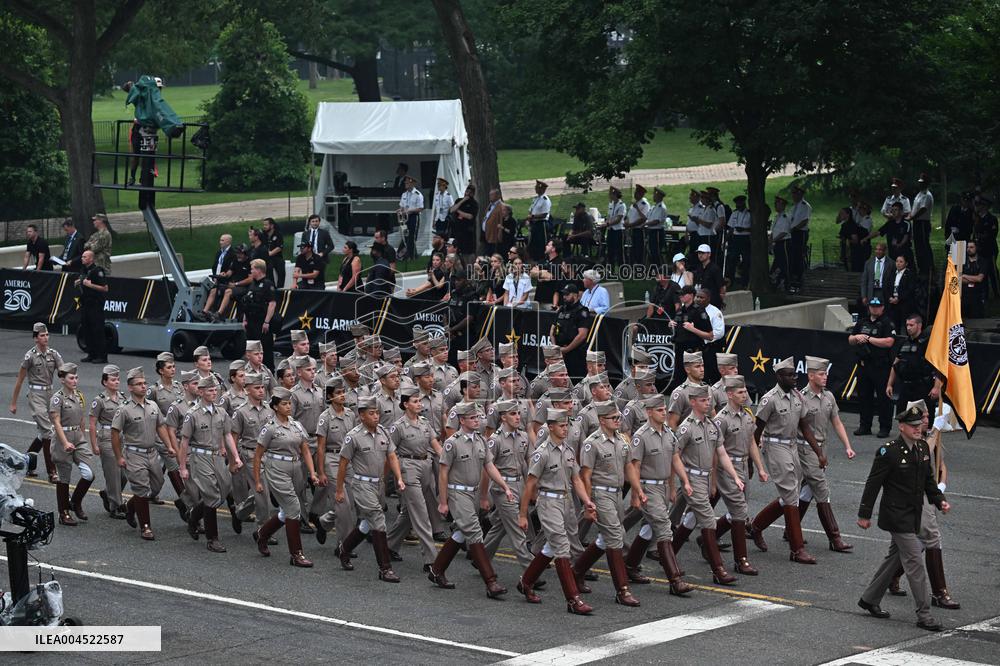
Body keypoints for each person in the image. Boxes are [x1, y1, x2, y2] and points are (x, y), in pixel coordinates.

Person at [856, 403, 949, 632]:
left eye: (920, 425)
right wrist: (864, 514)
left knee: (894, 559)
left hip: (913, 513)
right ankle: (924, 615)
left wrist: (939, 500)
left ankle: (869, 599)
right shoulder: (889, 451)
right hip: (897, 516)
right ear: (902, 427)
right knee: (915, 563)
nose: (919, 429)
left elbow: (928, 480)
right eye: (913, 426)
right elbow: (873, 483)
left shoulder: (922, 448)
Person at [517, 408, 597, 614]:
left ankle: (526, 582)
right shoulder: (541, 453)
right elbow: (529, 485)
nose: (566, 429)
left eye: (567, 425)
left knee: (552, 548)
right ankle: (573, 600)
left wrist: (586, 500)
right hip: (548, 502)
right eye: (562, 426)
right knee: (562, 548)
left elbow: (576, 479)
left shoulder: (568, 450)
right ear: (550, 427)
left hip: (566, 501)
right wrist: (523, 514)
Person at [428, 402, 510, 598]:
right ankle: (491, 582)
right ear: (462, 420)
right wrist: (443, 501)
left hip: (472, 493)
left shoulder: (481, 440)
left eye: (478, 417)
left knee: (460, 532)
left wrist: (504, 486)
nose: (477, 421)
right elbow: (443, 473)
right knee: (474, 531)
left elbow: (489, 467)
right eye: (472, 418)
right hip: (458, 493)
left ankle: (436, 570)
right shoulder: (452, 442)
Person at [747, 357, 823, 563]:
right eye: (790, 375)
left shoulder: (798, 396)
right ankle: (797, 549)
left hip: (792, 446)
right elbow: (757, 430)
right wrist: (751, 460)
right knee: (790, 495)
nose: (795, 378)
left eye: (795, 374)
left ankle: (756, 526)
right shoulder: (769, 399)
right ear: (779, 376)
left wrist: (818, 452)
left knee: (790, 494)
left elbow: (805, 427)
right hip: (774, 445)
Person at [671, 384, 744, 584]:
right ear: (693, 402)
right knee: (709, 521)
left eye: (709, 399)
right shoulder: (686, 428)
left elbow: (720, 454)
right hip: (692, 479)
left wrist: (734, 476)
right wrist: (683, 480)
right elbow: (674, 455)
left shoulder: (712, 426)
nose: (708, 403)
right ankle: (718, 569)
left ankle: (667, 555)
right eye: (703, 400)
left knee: (691, 519)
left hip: (705, 477)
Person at [622, 394, 695, 593]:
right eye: (660, 410)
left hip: (662, 487)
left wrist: (678, 485)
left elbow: (675, 461)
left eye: (664, 410)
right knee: (664, 528)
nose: (664, 413)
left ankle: (629, 565)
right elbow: (634, 467)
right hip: (647, 487)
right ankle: (675, 579)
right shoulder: (641, 437)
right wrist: (636, 493)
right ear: (649, 412)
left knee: (649, 530)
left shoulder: (669, 434)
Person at [572, 401, 641, 606]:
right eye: (614, 418)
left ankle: (576, 572)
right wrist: (588, 502)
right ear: (602, 420)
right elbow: (585, 476)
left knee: (607, 537)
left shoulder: (621, 441)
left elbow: (629, 467)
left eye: (619, 418)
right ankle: (622, 590)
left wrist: (637, 490)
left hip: (617, 494)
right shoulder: (592, 443)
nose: (618, 421)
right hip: (601, 494)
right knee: (614, 538)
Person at [334, 396, 405, 581]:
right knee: (378, 519)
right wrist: (340, 489)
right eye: (371, 413)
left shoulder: (383, 433)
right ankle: (385, 568)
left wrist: (398, 478)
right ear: (362, 415)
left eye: (377, 413)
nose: (376, 417)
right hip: (362, 484)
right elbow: (343, 464)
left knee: (367, 523)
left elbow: (392, 456)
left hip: (378, 484)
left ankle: (345, 548)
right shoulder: (354, 436)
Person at [252, 387, 318, 567]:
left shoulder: (296, 425)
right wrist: (258, 480)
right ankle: (296, 554)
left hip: (296, 467)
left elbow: (304, 448)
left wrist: (312, 473)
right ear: (275, 407)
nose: (288, 407)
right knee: (294, 507)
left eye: (289, 403)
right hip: (277, 468)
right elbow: (258, 455)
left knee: (286, 511)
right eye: (284, 404)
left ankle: (262, 534)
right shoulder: (269, 428)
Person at [798, 356, 857, 552]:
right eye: (822, 374)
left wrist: (847, 446)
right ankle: (835, 538)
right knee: (821, 490)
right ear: (811, 375)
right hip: (805, 449)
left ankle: (789, 529)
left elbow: (837, 422)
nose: (826, 377)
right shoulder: (801, 397)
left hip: (821, 449)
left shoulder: (829, 397)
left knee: (806, 491)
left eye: (826, 373)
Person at [178, 376, 242, 553]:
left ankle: (193, 515)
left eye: (215, 390)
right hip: (200, 457)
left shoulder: (221, 412)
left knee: (223, 491)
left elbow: (227, 435)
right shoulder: (193, 414)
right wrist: (182, 467)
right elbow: (184, 442)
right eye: (209, 390)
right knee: (212, 495)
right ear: (200, 392)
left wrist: (235, 457)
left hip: (218, 457)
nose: (213, 393)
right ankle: (212, 539)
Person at [713, 375, 768, 575]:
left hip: (743, 466)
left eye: (745, 391)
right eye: (740, 392)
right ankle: (741, 560)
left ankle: (708, 538)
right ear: (729, 394)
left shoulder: (746, 415)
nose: (744, 395)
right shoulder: (721, 419)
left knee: (739, 511)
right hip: (728, 468)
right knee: (739, 510)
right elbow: (716, 450)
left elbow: (752, 442)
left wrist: (760, 468)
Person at [111, 367, 173, 540]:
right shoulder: (124, 410)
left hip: (152, 453)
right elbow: (115, 433)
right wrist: (119, 457)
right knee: (141, 488)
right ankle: (145, 526)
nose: (143, 386)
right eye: (139, 384)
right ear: (130, 388)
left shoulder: (153, 406)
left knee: (157, 484)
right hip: (134, 454)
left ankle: (131, 508)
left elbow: (161, 426)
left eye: (144, 383)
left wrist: (169, 445)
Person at [10, 322, 63, 482]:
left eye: (47, 334)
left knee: (42, 434)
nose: (45, 337)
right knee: (48, 432)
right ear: (35, 338)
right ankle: (52, 472)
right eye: (42, 335)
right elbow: (19, 380)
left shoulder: (54, 354)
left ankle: (24, 464)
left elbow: (63, 372)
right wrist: (13, 403)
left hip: (50, 394)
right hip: (36, 395)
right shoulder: (30, 356)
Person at [47, 364, 94, 526]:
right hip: (62, 438)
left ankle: (75, 502)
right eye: (71, 378)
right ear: (62, 379)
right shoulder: (57, 398)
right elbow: (56, 422)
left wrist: (83, 438)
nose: (75, 381)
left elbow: (81, 419)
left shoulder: (79, 395)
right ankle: (63, 513)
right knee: (63, 477)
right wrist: (65, 441)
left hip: (78, 437)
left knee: (89, 474)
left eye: (76, 377)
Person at [229, 371, 273, 541]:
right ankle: (264, 530)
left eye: (262, 387)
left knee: (262, 492)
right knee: (262, 494)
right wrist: (234, 460)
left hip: (270, 455)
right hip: (250, 455)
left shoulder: (269, 409)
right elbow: (233, 437)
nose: (261, 391)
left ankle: (239, 511)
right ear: (247, 390)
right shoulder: (240, 412)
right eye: (257, 388)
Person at [849, 298, 897, 438]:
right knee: (864, 396)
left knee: (883, 398)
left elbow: (889, 342)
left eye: (878, 306)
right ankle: (865, 425)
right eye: (872, 306)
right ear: (869, 307)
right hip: (864, 365)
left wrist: (869, 339)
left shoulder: (887, 323)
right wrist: (858, 337)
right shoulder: (863, 321)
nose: (875, 309)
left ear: (882, 308)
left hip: (880, 366)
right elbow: (850, 339)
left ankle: (884, 427)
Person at [89, 364, 127, 519]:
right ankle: (116, 506)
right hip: (106, 437)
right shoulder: (99, 400)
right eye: (113, 380)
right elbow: (92, 423)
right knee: (113, 474)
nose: (116, 382)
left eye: (118, 379)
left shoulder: (123, 398)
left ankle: (108, 493)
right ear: (105, 382)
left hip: (121, 437)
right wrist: (94, 445)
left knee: (124, 475)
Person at [886, 314, 942, 417]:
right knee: (901, 415)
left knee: (924, 417)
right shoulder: (903, 343)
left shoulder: (928, 343)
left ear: (919, 326)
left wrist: (936, 387)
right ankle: (905, 433)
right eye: (907, 325)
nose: (908, 328)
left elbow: (939, 366)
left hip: (922, 386)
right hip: (905, 385)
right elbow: (895, 365)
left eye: (911, 325)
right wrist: (890, 384)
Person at [241, 259, 277, 371]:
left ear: (259, 270)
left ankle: (269, 372)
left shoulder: (268, 284)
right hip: (251, 321)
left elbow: (272, 303)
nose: (250, 271)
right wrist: (244, 319)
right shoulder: (252, 284)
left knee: (265, 349)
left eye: (252, 269)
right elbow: (247, 303)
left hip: (261, 322)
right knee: (252, 348)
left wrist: (267, 321)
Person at [551, 284, 592, 379]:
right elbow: (552, 330)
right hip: (559, 351)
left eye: (567, 295)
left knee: (575, 380)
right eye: (563, 294)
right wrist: (556, 348)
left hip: (575, 354)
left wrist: (566, 349)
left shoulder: (582, 311)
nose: (564, 297)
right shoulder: (561, 309)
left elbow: (582, 335)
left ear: (575, 295)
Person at [76, 250, 109, 364]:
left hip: (95, 304)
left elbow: (105, 288)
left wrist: (90, 285)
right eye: (82, 256)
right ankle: (91, 353)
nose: (82, 258)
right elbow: (84, 280)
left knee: (97, 329)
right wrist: (79, 282)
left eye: (85, 257)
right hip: (85, 303)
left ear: (91, 259)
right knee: (87, 329)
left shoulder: (97, 271)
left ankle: (102, 356)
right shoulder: (84, 270)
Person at [973, 196, 998, 296]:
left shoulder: (992, 219)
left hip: (990, 249)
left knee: (992, 271)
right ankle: (985, 292)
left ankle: (997, 291)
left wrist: (981, 236)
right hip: (980, 249)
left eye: (982, 205)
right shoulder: (977, 219)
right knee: (982, 271)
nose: (980, 207)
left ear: (986, 207)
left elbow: (992, 234)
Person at [909, 174, 934, 276]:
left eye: (922, 182)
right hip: (917, 222)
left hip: (923, 222)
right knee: (918, 245)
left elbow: (923, 209)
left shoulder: (927, 195)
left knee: (924, 245)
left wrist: (912, 217)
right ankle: (921, 266)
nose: (920, 184)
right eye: (920, 182)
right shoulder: (919, 194)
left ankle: (928, 266)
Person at [397, 175, 424, 260]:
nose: (405, 183)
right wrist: (399, 210)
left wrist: (410, 211)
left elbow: (420, 208)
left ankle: (411, 257)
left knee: (412, 237)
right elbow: (402, 206)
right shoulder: (404, 194)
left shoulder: (418, 194)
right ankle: (406, 255)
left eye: (408, 182)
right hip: (404, 217)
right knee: (405, 236)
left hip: (413, 217)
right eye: (405, 182)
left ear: (412, 183)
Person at [727, 195, 751, 285]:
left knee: (746, 260)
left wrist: (744, 229)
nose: (738, 205)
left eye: (740, 203)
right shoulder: (734, 213)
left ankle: (745, 280)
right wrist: (727, 238)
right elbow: (731, 228)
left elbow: (754, 229)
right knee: (732, 259)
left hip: (745, 238)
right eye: (737, 204)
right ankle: (731, 280)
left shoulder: (749, 213)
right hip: (736, 238)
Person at [860, 242, 893, 307]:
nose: (878, 251)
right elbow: (864, 281)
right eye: (876, 249)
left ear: (885, 251)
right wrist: (864, 296)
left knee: (883, 312)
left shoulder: (891, 263)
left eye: (880, 250)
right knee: (871, 312)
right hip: (871, 291)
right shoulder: (869, 262)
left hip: (884, 292)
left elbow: (893, 280)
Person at [888, 254, 916, 330]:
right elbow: (888, 287)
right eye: (897, 261)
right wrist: (890, 297)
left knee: (905, 323)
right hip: (893, 302)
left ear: (906, 263)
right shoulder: (892, 273)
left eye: (901, 262)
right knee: (894, 323)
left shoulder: (909, 274)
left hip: (904, 303)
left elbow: (910, 289)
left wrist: (899, 298)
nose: (898, 263)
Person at [526, 180, 552, 262]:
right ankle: (534, 258)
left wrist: (533, 216)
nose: (535, 189)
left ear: (542, 189)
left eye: (537, 188)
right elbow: (531, 209)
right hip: (534, 223)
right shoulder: (536, 199)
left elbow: (544, 214)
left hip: (541, 223)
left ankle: (543, 259)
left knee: (541, 243)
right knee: (533, 243)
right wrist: (529, 218)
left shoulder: (545, 200)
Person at [304, 214, 334, 283]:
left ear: (319, 222)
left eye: (316, 221)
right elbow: (303, 246)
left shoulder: (324, 233)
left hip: (320, 258)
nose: (315, 223)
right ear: (310, 223)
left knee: (320, 278)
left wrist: (322, 253)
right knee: (309, 277)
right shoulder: (305, 234)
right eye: (313, 221)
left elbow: (331, 246)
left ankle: (321, 290)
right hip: (309, 258)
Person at [770, 196, 792, 288]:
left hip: (783, 243)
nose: (776, 206)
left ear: (783, 205)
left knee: (784, 263)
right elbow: (773, 230)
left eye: (777, 204)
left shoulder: (785, 217)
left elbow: (784, 232)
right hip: (777, 243)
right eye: (775, 204)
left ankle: (786, 282)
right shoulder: (777, 217)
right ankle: (777, 280)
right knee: (778, 261)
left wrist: (773, 240)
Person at [961, 240, 987, 320]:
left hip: (978, 295)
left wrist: (964, 275)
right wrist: (973, 279)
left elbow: (979, 279)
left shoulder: (982, 261)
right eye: (968, 247)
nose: (969, 249)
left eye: (971, 247)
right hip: (965, 295)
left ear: (976, 248)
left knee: (977, 319)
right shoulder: (962, 262)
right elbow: (958, 279)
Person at [838, 206, 867, 272]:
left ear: (848, 214)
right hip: (846, 251)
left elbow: (855, 240)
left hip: (853, 253)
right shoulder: (844, 225)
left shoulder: (851, 225)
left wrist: (846, 240)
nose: (840, 215)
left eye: (842, 213)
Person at [626, 184, 650, 264]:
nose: (635, 194)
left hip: (640, 230)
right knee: (633, 250)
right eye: (635, 192)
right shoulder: (634, 204)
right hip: (632, 230)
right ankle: (634, 265)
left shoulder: (644, 204)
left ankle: (640, 266)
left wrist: (630, 225)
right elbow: (630, 216)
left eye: (637, 192)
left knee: (640, 250)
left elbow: (643, 219)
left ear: (641, 194)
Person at [645, 187, 668, 268]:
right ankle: (655, 269)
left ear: (659, 196)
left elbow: (656, 221)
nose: (653, 196)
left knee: (656, 252)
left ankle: (660, 269)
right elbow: (647, 217)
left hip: (657, 232)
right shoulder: (654, 207)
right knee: (652, 251)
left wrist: (646, 224)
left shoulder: (661, 207)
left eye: (654, 194)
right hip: (652, 231)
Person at [605, 186, 626, 267]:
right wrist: (606, 222)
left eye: (612, 194)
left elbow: (618, 219)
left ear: (615, 195)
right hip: (611, 230)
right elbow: (609, 216)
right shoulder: (611, 204)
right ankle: (611, 269)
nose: (610, 196)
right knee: (610, 250)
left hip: (618, 230)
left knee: (619, 251)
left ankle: (622, 269)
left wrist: (607, 224)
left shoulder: (621, 205)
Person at [260, 217, 285, 289]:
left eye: (266, 225)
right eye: (263, 225)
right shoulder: (262, 234)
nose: (264, 227)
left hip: (276, 256)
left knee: (281, 269)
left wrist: (270, 253)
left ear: (272, 225)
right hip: (266, 257)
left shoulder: (278, 234)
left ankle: (280, 288)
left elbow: (279, 247)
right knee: (268, 268)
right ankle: (272, 287)